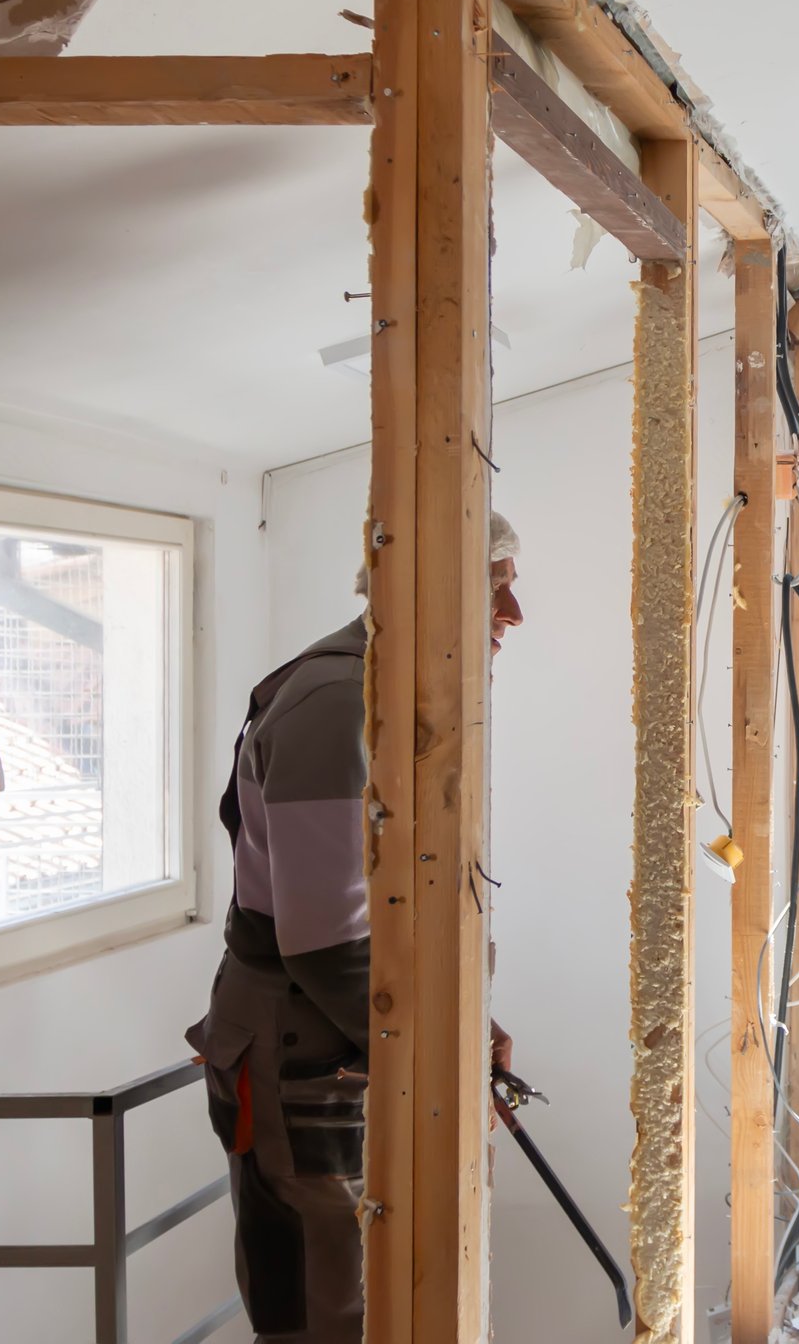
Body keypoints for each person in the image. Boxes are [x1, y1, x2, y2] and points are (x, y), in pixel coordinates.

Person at [185, 512, 525, 1343]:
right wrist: (441, 1060)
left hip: (334, 1042)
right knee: (327, 1310)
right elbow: (326, 939)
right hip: (305, 1054)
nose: (514, 612)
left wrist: (461, 1028)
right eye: (495, 583)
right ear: (427, 588)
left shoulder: (387, 691)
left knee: (370, 1292)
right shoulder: (339, 703)